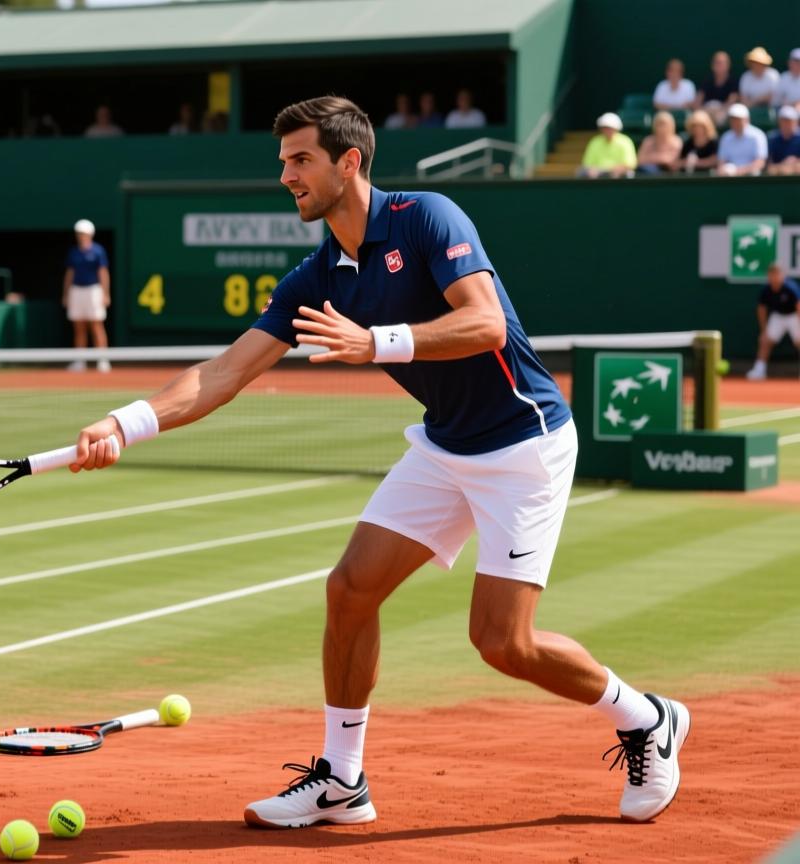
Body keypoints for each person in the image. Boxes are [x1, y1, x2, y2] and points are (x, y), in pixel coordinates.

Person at [67, 95, 689, 829]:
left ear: (349, 162)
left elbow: (485, 321)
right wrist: (123, 422)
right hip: (444, 444)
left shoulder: (427, 217)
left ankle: (646, 716)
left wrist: (377, 342)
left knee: (502, 642)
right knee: (350, 590)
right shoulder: (318, 274)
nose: (286, 176)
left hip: (524, 445)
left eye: (300, 160)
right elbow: (226, 372)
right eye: (283, 163)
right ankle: (342, 781)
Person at [62, 218, 111, 373]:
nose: (80, 236)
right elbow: (70, 273)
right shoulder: (74, 252)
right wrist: (66, 293)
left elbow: (103, 272)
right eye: (78, 233)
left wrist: (105, 293)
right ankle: (79, 362)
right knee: (79, 327)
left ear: (90, 234)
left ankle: (103, 360)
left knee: (96, 325)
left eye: (82, 233)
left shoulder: (98, 251)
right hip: (76, 291)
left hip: (94, 291)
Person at [746, 264, 800, 380]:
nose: (774, 277)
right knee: (765, 340)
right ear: (768, 276)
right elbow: (761, 310)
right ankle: (759, 370)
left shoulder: (791, 288)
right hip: (778, 316)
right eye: (772, 274)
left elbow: (799, 307)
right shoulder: (766, 290)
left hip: (794, 316)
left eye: (777, 274)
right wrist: (763, 330)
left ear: (783, 275)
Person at [577, 112, 637, 178]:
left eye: (609, 128)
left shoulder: (625, 141)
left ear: (616, 128)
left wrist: (617, 169)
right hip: (598, 172)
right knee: (581, 172)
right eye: (604, 128)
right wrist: (592, 170)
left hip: (619, 174)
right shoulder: (595, 141)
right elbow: (587, 164)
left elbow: (630, 164)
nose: (607, 130)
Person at [716, 102, 768, 176]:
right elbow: (721, 162)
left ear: (747, 119)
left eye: (738, 119)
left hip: (752, 179)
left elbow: (760, 162)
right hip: (730, 179)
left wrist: (738, 172)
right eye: (733, 119)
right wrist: (723, 170)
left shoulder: (758, 135)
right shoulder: (726, 137)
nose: (735, 122)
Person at [694, 50, 740, 127]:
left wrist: (720, 111)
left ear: (728, 65)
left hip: (724, 112)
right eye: (717, 63)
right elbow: (697, 102)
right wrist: (703, 111)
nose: (719, 66)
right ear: (712, 65)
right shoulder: (707, 81)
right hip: (707, 111)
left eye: (722, 63)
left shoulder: (733, 82)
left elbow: (732, 101)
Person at [677, 109, 719, 174]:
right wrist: (687, 162)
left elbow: (715, 160)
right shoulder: (688, 142)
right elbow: (680, 161)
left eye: (700, 126)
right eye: (694, 126)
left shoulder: (713, 142)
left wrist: (696, 163)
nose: (697, 129)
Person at [767, 105, 800, 175]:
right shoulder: (773, 139)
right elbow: (769, 168)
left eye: (789, 121)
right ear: (779, 122)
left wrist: (794, 163)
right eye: (784, 121)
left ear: (796, 122)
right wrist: (783, 166)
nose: (787, 124)